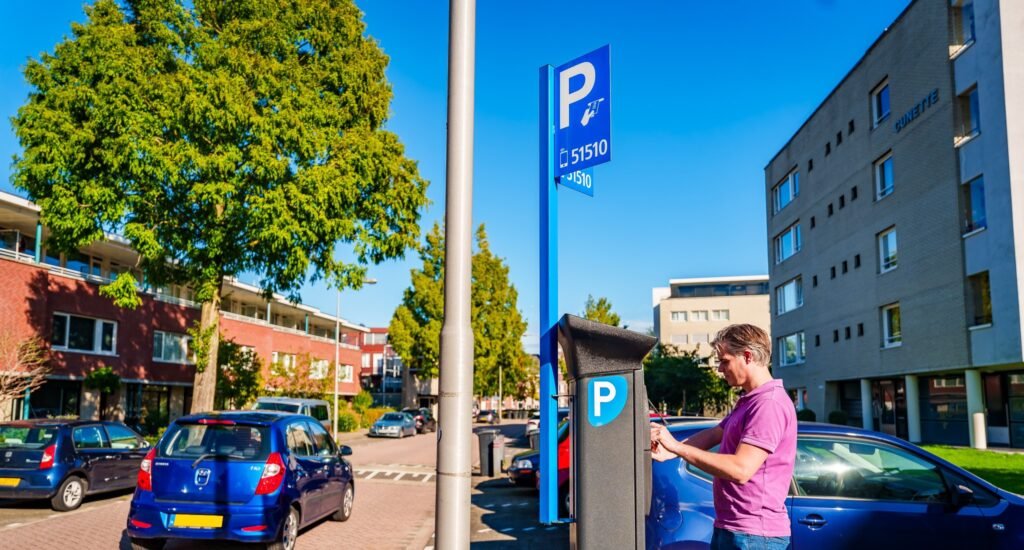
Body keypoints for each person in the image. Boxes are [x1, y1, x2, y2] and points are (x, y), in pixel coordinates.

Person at [650, 324, 796, 550]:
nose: (719, 369)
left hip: (755, 535)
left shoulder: (769, 404)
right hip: (734, 527)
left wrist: (677, 448)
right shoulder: (750, 400)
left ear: (747, 356)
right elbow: (713, 434)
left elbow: (740, 469)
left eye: (724, 360)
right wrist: (669, 449)